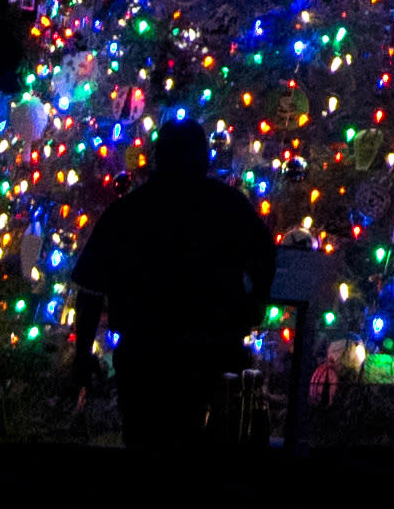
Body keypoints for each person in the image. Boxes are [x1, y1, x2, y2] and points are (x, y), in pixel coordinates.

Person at [67, 124, 277, 451]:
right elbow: (265, 259)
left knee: (148, 447)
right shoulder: (228, 206)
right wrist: (256, 303)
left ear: (158, 157)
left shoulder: (127, 213)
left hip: (146, 358)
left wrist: (82, 356)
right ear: (203, 157)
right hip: (214, 352)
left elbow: (91, 289)